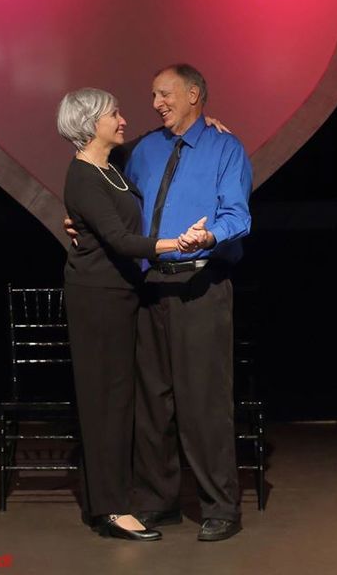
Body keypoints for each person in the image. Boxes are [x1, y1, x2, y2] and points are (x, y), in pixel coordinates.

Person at [67, 64, 252, 541]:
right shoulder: (142, 150)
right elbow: (105, 196)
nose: (155, 104)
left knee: (204, 403)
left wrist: (210, 235)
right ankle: (156, 500)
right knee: (152, 406)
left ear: (194, 94)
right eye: (151, 95)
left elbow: (238, 215)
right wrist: (79, 224)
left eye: (164, 94)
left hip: (200, 287)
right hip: (148, 290)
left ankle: (219, 507)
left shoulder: (224, 148)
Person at [57, 87, 206, 542]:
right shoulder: (83, 176)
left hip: (123, 295)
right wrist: (176, 244)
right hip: (97, 299)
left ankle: (120, 498)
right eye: (114, 114)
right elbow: (122, 241)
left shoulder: (110, 169)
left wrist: (208, 124)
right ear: (90, 122)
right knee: (104, 403)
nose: (123, 119)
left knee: (124, 401)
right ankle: (109, 509)